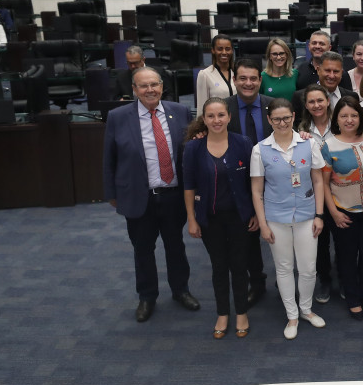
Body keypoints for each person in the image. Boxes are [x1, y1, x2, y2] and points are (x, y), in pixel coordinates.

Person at [103, 67, 200, 322]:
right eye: (143, 86)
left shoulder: (179, 112)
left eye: (154, 84)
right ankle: (147, 296)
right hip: (139, 196)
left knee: (175, 247)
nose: (150, 90)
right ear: (134, 90)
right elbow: (109, 159)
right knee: (143, 249)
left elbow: (189, 153)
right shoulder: (118, 117)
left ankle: (181, 290)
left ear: (161, 86)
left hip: (173, 195)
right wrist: (112, 193)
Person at [250, 98, 326, 340]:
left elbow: (317, 180)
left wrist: (319, 214)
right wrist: (262, 224)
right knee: (283, 268)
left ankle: (306, 309)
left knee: (308, 268)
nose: (282, 123)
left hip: (306, 215)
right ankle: (291, 314)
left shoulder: (308, 143)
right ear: (269, 120)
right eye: (276, 119)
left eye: (286, 118)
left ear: (294, 116)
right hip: (275, 217)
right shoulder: (259, 149)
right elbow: (256, 190)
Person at [183, 98, 257, 339]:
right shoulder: (193, 148)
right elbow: (189, 186)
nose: (217, 120)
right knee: (218, 266)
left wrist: (255, 213)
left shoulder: (243, 143)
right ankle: (223, 313)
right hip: (209, 218)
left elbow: (253, 183)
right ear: (203, 119)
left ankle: (242, 312)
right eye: (211, 116)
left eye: (221, 115)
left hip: (239, 217)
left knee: (239, 264)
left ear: (229, 117)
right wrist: (191, 219)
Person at [321, 96, 363, 320]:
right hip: (343, 211)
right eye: (344, 116)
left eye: (354, 115)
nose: (349, 120)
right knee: (346, 257)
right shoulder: (329, 145)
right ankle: (353, 298)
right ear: (336, 119)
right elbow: (324, 184)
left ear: (361, 117)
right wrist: (334, 213)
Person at [225, 58, 273, 305]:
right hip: (235, 185)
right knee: (244, 238)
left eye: (253, 78)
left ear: (260, 80)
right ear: (234, 80)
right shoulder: (223, 108)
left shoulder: (271, 106)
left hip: (272, 183)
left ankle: (272, 281)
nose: (248, 83)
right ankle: (254, 282)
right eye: (242, 78)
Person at [295, 83, 336, 303]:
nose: (316, 105)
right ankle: (325, 279)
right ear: (306, 105)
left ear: (328, 101)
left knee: (342, 239)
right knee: (320, 241)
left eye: (320, 100)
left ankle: (345, 277)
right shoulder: (299, 131)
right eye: (311, 101)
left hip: (339, 190)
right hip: (313, 193)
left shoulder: (340, 124)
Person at [292, 51, 354, 121]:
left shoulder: (351, 96)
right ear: (318, 70)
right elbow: (296, 126)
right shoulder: (300, 97)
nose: (331, 76)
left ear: (342, 73)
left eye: (336, 71)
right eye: (327, 71)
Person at [196, 34, 235, 109]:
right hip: (217, 119)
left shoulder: (238, 73)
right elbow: (201, 107)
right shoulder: (205, 75)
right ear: (213, 50)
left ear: (232, 51)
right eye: (220, 49)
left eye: (227, 49)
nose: (224, 52)